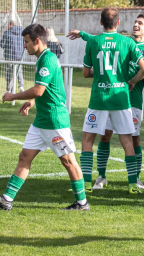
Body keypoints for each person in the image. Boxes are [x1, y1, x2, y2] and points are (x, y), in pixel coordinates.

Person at [1, 23, 89, 211]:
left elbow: (39, 90)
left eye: (26, 42)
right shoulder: (42, 58)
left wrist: (13, 96)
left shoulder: (47, 59)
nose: (24, 46)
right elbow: (44, 89)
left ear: (37, 41)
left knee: (68, 161)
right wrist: (32, 101)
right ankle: (6, 199)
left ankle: (82, 203)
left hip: (54, 121)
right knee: (24, 156)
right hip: (42, 120)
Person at [67, 13, 144, 191]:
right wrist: (129, 80)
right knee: (120, 139)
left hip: (109, 99)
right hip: (122, 98)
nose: (136, 25)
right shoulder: (127, 42)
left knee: (90, 140)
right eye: (135, 22)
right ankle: (113, 179)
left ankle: (88, 182)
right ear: (119, 22)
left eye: (141, 23)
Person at [0, 20, 24, 93]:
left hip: (9, 56)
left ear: (10, 25)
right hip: (19, 55)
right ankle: (21, 86)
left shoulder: (7, 33)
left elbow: (2, 45)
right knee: (19, 71)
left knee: (8, 73)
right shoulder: (22, 33)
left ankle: (8, 89)